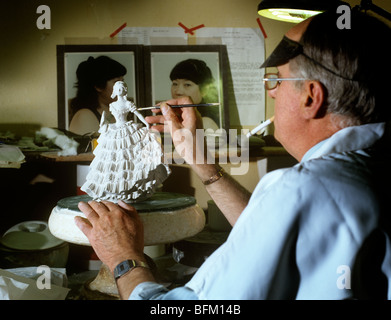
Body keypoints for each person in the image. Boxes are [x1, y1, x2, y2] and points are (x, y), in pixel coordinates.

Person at [75, 10, 391, 300]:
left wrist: (123, 257)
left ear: (311, 97)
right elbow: (270, 233)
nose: (271, 92)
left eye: (276, 80)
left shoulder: (303, 189)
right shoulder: (367, 167)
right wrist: (203, 163)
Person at [68, 56, 127, 135]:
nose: (122, 86)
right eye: (116, 82)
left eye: (122, 81)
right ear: (99, 86)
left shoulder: (118, 110)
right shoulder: (84, 116)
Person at [169, 59, 220, 130]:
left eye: (187, 85)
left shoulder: (206, 122)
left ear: (204, 90)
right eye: (175, 84)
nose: (178, 91)